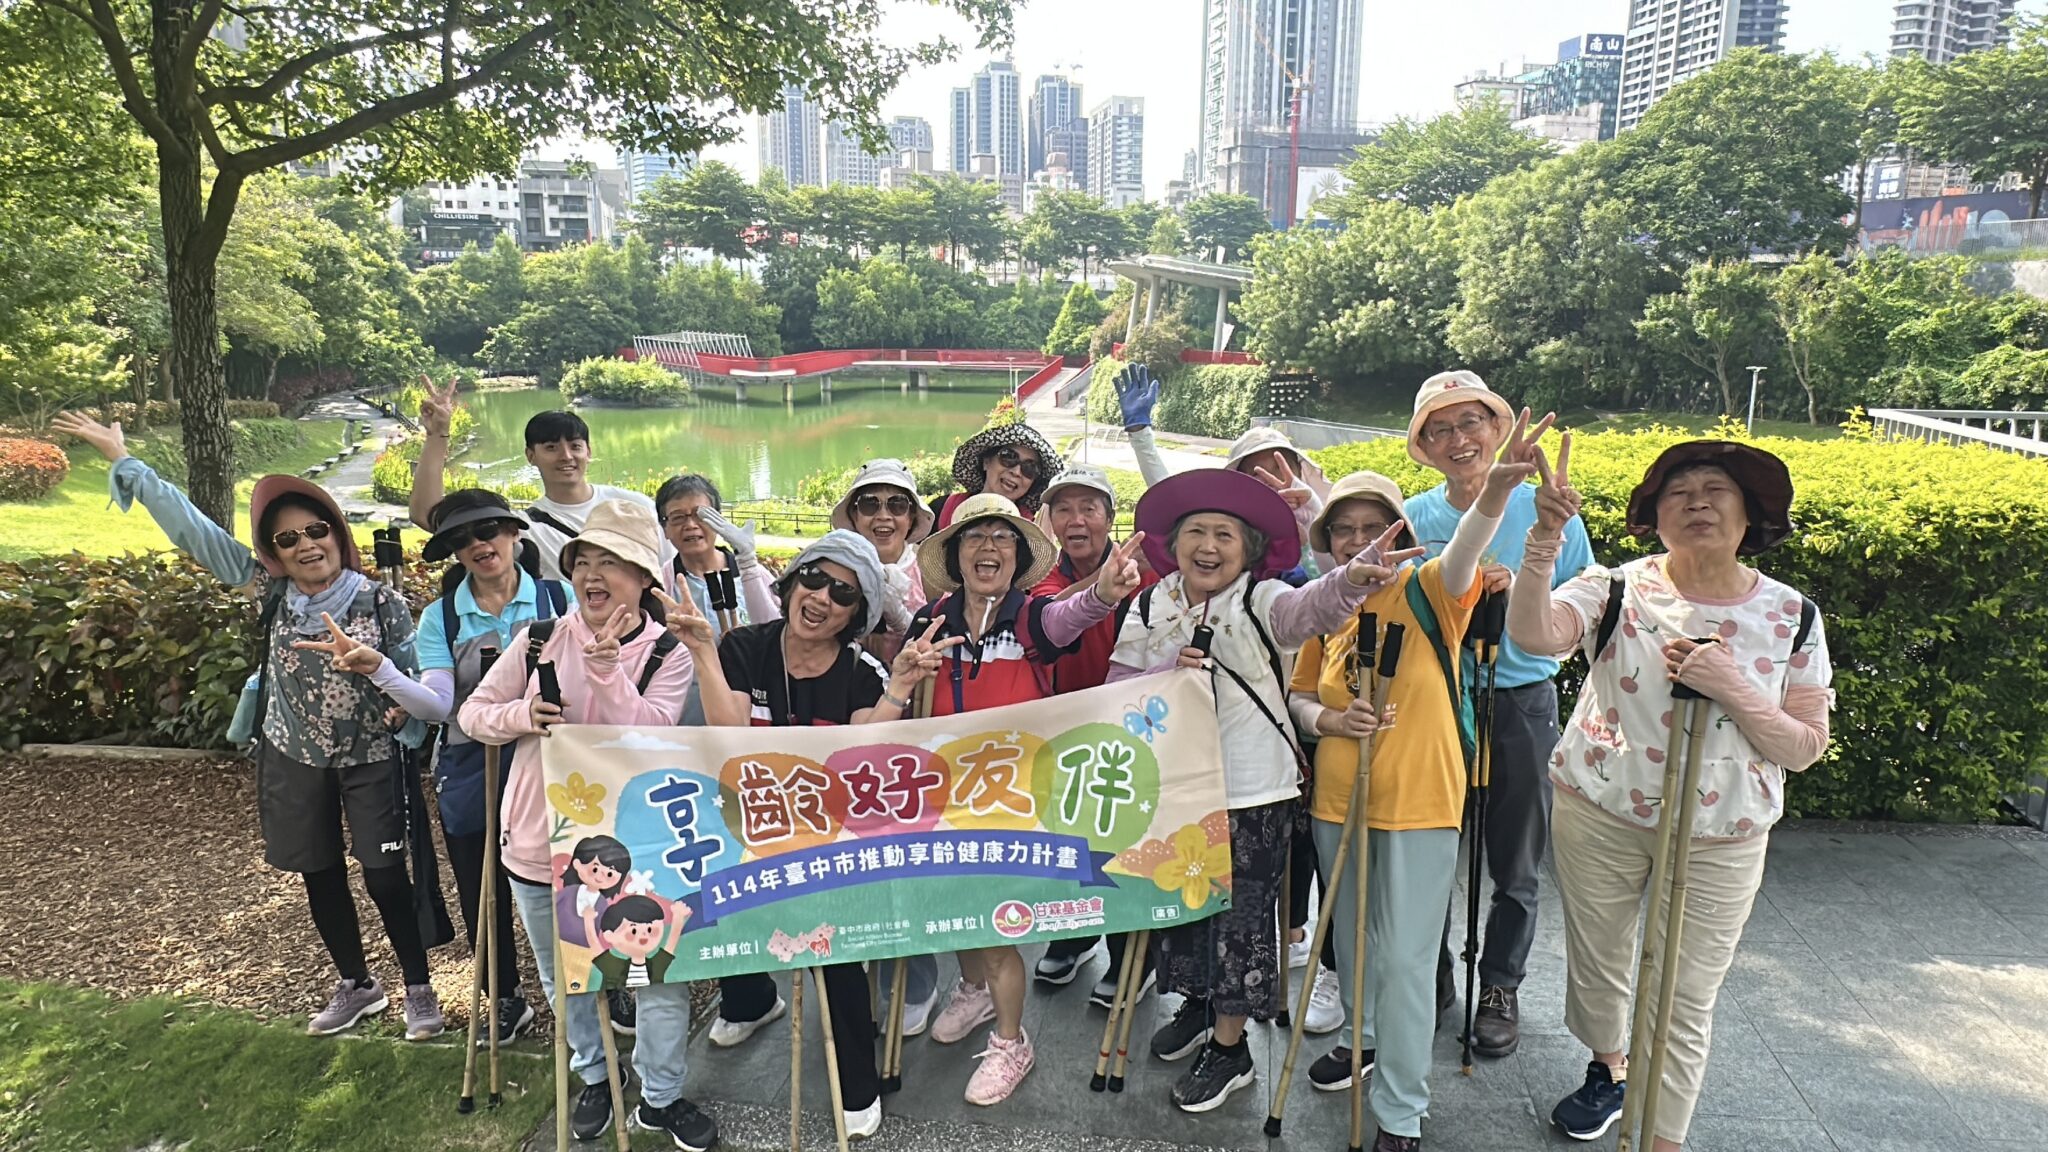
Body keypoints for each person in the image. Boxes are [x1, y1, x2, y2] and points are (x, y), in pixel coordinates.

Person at [53, 410, 448, 1040]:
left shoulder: (381, 601)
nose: (305, 546)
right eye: (288, 539)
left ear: (336, 533)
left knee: (384, 877)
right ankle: (357, 985)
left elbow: (421, 680)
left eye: (315, 530)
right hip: (292, 755)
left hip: (371, 757)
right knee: (319, 869)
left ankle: (419, 989)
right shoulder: (270, 590)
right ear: (274, 552)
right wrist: (125, 462)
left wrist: (399, 706)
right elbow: (196, 531)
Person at [1508, 438, 1832, 1152]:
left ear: (1750, 516)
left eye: (1716, 491)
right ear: (1654, 519)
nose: (1697, 503)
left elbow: (1804, 746)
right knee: (1599, 962)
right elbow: (1532, 635)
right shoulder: (1613, 587)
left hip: (1722, 834)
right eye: (1677, 494)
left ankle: (1662, 1139)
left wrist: (1731, 685)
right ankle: (1610, 1066)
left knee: (1682, 998)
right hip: (1600, 810)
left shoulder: (1793, 615)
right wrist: (1544, 537)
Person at [1106, 467, 1416, 1115]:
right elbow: (1116, 690)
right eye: (1196, 531)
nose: (1208, 546)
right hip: (1174, 788)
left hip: (1252, 791)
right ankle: (1199, 1006)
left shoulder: (1265, 597)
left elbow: (1314, 609)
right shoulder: (1150, 604)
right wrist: (1165, 674)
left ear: (1248, 549)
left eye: (1224, 534)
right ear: (1174, 541)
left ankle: (1231, 1047)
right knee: (1183, 909)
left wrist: (1351, 578)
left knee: (1240, 922)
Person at [661, 529, 957, 1139]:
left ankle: (857, 1083)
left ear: (856, 614)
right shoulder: (746, 645)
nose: (821, 597)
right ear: (792, 581)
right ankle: (750, 1000)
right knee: (716, 906)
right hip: (750, 821)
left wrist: (898, 689)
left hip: (828, 839)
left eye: (843, 593)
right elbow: (728, 728)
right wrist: (705, 654)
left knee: (832, 949)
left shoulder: (860, 670)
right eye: (814, 578)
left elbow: (866, 747)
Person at [1284, 449, 1531, 1151]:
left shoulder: (1431, 588)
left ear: (1402, 532)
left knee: (1404, 960)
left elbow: (1467, 550)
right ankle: (1362, 1041)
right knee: (1351, 943)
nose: (1360, 540)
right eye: (1344, 529)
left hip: (1420, 802)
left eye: (1376, 526)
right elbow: (1299, 697)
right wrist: (1331, 721)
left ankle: (1399, 1110)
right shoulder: (1329, 604)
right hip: (1337, 801)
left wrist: (1493, 493)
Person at [458, 500, 714, 1150]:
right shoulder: (539, 638)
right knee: (565, 978)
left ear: (643, 578)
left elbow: (647, 737)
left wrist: (606, 672)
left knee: (656, 978)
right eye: (583, 562)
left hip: (639, 852)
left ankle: (661, 1095)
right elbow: (473, 713)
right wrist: (521, 716)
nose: (593, 576)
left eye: (612, 562)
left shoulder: (668, 653)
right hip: (537, 843)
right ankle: (596, 1075)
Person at [909, 492, 1146, 1106]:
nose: (988, 548)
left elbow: (1072, 616)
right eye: (974, 537)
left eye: (1002, 537)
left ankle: (1012, 1041)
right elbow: (906, 696)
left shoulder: (1031, 618)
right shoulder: (932, 619)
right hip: (945, 792)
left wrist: (1104, 592)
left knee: (994, 922)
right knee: (954, 907)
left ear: (1018, 556)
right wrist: (907, 670)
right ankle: (975, 993)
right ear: (955, 554)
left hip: (1012, 798)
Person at [1402, 370, 1592, 1054]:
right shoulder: (1414, 517)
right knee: (1424, 850)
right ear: (1425, 446)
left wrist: (1522, 591)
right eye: (1440, 428)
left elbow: (1581, 601)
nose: (1459, 439)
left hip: (1521, 701)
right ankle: (1431, 978)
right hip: (1435, 703)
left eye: (1471, 422)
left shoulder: (1547, 510)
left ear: (1496, 429)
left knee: (1515, 859)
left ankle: (1500, 985)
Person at [414, 489, 576, 1045]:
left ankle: (596, 982)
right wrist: (387, 678)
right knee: (481, 883)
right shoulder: (439, 618)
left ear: (512, 533)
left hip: (553, 758)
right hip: (471, 759)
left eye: (487, 530)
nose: (479, 545)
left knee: (575, 870)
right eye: (462, 539)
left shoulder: (559, 597)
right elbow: (439, 698)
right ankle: (505, 995)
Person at [1024, 464, 1172, 1009]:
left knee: (1130, 838)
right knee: (1069, 838)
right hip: (1066, 731)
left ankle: (1133, 952)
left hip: (1138, 729)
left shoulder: (1149, 574)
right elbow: (1049, 618)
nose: (1076, 520)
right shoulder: (1044, 576)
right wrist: (1102, 586)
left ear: (1111, 518)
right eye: (1064, 508)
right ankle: (1075, 933)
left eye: (1089, 508)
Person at [827, 459, 945, 1038]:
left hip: (911, 732)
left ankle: (916, 981)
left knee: (907, 860)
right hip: (848, 729)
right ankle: (863, 977)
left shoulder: (931, 574)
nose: (883, 516)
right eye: (869, 504)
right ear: (852, 513)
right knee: (855, 862)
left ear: (911, 516)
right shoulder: (832, 568)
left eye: (896, 505)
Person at [408, 377, 671, 581]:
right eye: (551, 448)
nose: (566, 456)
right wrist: (437, 435)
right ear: (530, 456)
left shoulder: (633, 505)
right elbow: (425, 514)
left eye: (575, 446)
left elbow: (670, 571)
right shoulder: (525, 527)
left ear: (589, 452)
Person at [656, 473, 778, 632]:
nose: (691, 525)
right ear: (664, 529)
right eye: (678, 517)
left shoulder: (753, 574)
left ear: (718, 519)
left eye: (700, 515)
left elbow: (779, 632)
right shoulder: (662, 585)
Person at [932, 423, 1062, 530]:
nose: (1016, 472)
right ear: (986, 462)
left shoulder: (1031, 532)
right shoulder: (940, 509)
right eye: (1008, 457)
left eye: (1030, 468)